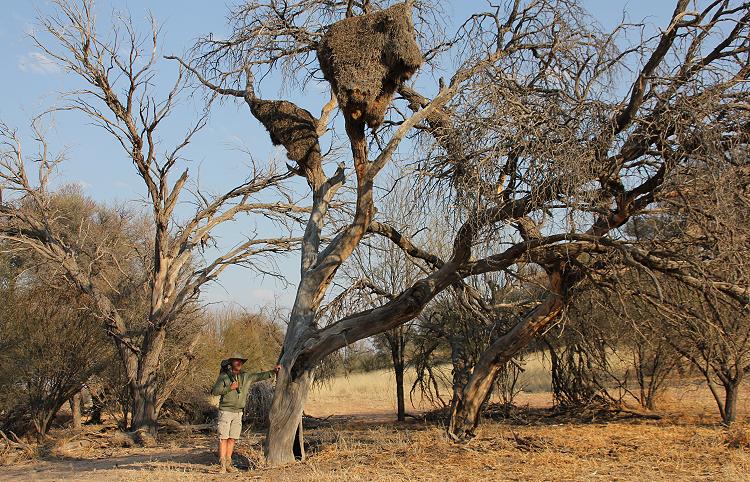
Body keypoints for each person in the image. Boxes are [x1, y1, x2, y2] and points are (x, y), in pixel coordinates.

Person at [211, 352, 281, 473]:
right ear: (231, 362)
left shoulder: (246, 376)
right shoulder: (224, 376)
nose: (238, 363)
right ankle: (222, 465)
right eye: (236, 361)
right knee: (223, 438)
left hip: (238, 412)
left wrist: (273, 371)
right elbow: (215, 391)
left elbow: (260, 376)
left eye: (241, 361)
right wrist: (230, 388)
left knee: (232, 438)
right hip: (226, 410)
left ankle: (228, 463)